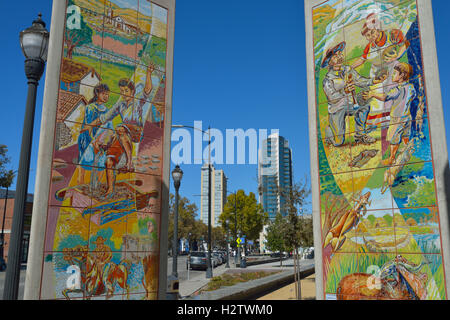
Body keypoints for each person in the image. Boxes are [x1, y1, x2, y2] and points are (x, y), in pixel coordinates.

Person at [97, 64, 155, 197]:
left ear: (132, 91)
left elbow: (147, 90)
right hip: (123, 135)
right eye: (121, 91)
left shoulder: (138, 100)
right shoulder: (120, 104)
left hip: (136, 132)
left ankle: (129, 162)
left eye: (126, 91)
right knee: (109, 161)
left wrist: (149, 73)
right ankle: (110, 190)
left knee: (120, 129)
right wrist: (90, 126)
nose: (123, 94)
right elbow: (106, 117)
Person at [322, 41, 386, 146]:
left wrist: (374, 81)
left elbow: (360, 81)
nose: (339, 57)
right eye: (335, 56)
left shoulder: (347, 69)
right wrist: (344, 91)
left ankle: (360, 136)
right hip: (337, 109)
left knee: (365, 103)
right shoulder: (328, 79)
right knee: (338, 142)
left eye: (339, 54)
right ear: (329, 62)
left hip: (351, 104)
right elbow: (332, 97)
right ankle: (330, 131)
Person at [363, 62, 416, 166]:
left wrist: (372, 94)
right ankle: (405, 153)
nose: (392, 75)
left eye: (394, 73)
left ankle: (391, 158)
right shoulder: (411, 87)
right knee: (405, 135)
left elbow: (384, 97)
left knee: (394, 139)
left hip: (396, 118)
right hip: (407, 116)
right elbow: (412, 97)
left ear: (401, 76)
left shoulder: (396, 90)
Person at [76, 83, 111, 186]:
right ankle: (80, 185)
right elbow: (88, 126)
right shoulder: (91, 107)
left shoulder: (107, 110)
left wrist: (105, 141)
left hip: (100, 141)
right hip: (87, 139)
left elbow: (108, 128)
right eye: (103, 94)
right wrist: (92, 141)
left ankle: (96, 186)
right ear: (97, 93)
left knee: (101, 163)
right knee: (85, 161)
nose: (106, 96)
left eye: (107, 94)